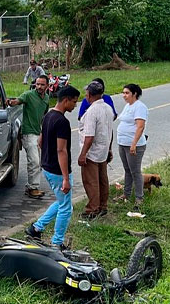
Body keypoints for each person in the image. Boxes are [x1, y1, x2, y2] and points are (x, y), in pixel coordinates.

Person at [25, 85, 80, 249]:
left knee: (63, 202)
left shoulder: (48, 115)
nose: (75, 105)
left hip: (47, 167)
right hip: (57, 171)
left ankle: (36, 228)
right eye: (74, 102)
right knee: (66, 208)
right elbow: (61, 150)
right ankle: (57, 242)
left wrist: (47, 158)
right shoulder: (62, 122)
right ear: (65, 100)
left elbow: (40, 142)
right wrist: (65, 178)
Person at [9, 74, 50, 198]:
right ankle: (33, 188)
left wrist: (43, 132)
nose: (39, 87)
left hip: (38, 133)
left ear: (47, 86)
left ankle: (32, 186)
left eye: (42, 84)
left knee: (39, 162)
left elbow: (44, 116)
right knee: (34, 161)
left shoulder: (47, 98)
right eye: (37, 84)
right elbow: (17, 101)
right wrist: (10, 102)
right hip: (28, 133)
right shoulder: (28, 95)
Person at [77, 81, 114, 219]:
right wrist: (109, 149)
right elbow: (110, 132)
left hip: (92, 152)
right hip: (103, 150)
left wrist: (83, 154)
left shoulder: (92, 111)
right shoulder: (108, 108)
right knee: (102, 180)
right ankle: (103, 205)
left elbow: (89, 136)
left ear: (90, 95)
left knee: (91, 181)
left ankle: (92, 209)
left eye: (86, 93)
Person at [114, 84, 148, 209]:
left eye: (127, 93)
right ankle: (126, 194)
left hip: (134, 145)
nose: (124, 95)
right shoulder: (128, 106)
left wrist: (133, 144)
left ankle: (139, 197)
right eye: (123, 93)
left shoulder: (140, 107)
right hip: (123, 143)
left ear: (134, 94)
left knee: (135, 171)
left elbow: (140, 126)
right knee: (127, 170)